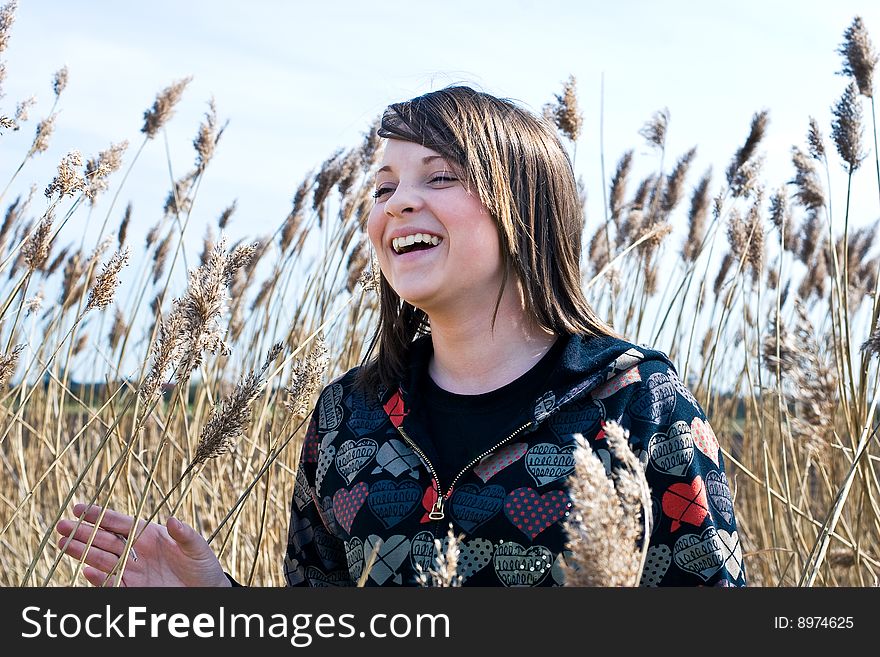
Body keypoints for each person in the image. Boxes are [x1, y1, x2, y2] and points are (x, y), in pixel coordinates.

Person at [57, 85, 745, 587]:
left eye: (440, 176)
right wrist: (213, 606)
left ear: (526, 207)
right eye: (383, 187)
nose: (399, 202)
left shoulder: (635, 401)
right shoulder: (346, 418)